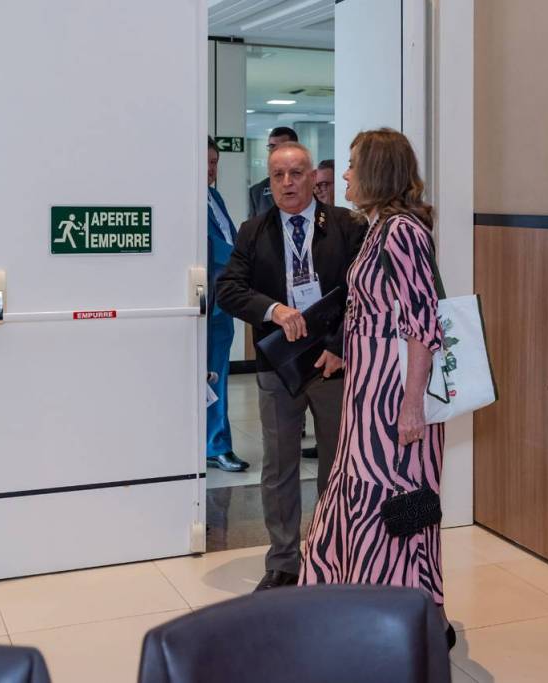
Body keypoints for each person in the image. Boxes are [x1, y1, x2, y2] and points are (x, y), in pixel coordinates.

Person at [300, 129, 455, 650]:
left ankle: (407, 621)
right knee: (368, 502)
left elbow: (421, 326)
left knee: (396, 508)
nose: (343, 175)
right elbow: (380, 313)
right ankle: (375, 613)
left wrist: (411, 406)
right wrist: (348, 350)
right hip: (369, 393)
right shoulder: (379, 228)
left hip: (392, 399)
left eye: (351, 164)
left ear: (377, 172)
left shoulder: (402, 232)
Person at [217, 142, 365, 591]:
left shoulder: (346, 226)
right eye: (278, 175)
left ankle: (331, 554)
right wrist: (273, 309)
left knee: (336, 465)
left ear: (312, 177)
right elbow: (229, 289)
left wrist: (339, 344)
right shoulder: (253, 231)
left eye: (296, 173)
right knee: (278, 466)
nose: (287, 183)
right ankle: (283, 561)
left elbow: (363, 295)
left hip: (332, 363)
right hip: (278, 364)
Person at [206, 136, 248, 473]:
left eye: (215, 162)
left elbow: (230, 238)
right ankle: (213, 443)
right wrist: (241, 259)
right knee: (203, 375)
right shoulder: (184, 200)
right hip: (203, 300)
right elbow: (212, 246)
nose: (211, 169)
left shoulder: (214, 197)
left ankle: (217, 443)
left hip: (223, 300)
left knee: (217, 374)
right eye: (206, 162)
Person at [248, 126, 299, 219]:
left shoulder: (310, 186)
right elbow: (252, 226)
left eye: (282, 147)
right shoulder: (257, 192)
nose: (275, 151)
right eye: (272, 147)